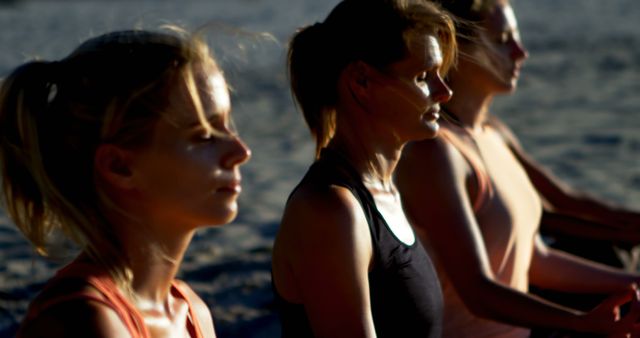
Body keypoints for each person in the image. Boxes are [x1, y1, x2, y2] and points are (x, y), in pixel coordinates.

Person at [395, 0, 640, 336]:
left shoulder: (492, 133)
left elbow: (535, 258)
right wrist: (583, 324)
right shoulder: (435, 154)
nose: (520, 52)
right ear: (458, 51)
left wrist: (633, 283)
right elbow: (479, 294)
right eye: (502, 39)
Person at [0, 28, 251, 337]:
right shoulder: (83, 320)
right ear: (119, 167)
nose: (240, 152)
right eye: (203, 137)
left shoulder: (191, 311)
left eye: (227, 126)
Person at [270, 0, 456, 336]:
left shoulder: (382, 190)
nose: (444, 92)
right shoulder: (331, 212)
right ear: (361, 82)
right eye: (423, 77)